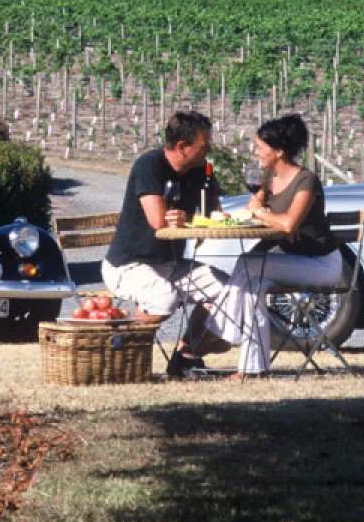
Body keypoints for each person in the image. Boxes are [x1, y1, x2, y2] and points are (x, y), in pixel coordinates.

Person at [102, 110, 237, 377]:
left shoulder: (200, 170)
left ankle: (186, 356)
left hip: (170, 264)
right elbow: (158, 221)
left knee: (230, 289)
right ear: (182, 147)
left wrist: (196, 216)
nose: (210, 150)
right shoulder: (149, 165)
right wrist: (186, 219)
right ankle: (117, 350)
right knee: (163, 299)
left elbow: (215, 215)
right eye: (204, 145)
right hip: (128, 265)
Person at [221, 113, 342, 378]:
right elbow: (253, 209)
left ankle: (222, 328)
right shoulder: (267, 178)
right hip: (296, 261)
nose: (255, 153)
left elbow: (287, 224)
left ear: (279, 151)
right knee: (252, 288)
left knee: (247, 263)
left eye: (260, 147)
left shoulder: (306, 181)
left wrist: (262, 213)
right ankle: (251, 369)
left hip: (322, 265)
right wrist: (262, 214)